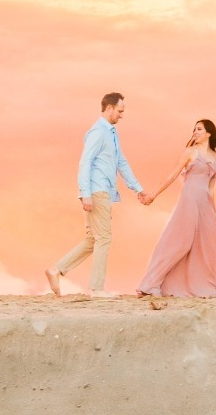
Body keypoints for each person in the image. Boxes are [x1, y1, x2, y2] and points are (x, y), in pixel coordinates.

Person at [45, 92, 149, 298]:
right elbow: (85, 162)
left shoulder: (111, 133)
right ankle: (96, 289)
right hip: (97, 191)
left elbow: (121, 162)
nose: (121, 115)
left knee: (92, 239)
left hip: (102, 191)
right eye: (120, 111)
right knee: (104, 238)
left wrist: (138, 188)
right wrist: (86, 194)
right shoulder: (98, 132)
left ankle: (56, 270)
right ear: (109, 108)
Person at [136, 118, 216, 298]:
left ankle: (212, 283)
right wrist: (153, 195)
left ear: (209, 132)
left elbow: (211, 187)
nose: (195, 132)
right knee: (180, 241)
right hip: (189, 199)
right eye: (194, 129)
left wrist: (213, 213)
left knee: (211, 243)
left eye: (199, 129)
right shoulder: (190, 152)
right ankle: (151, 284)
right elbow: (172, 175)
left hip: (205, 203)